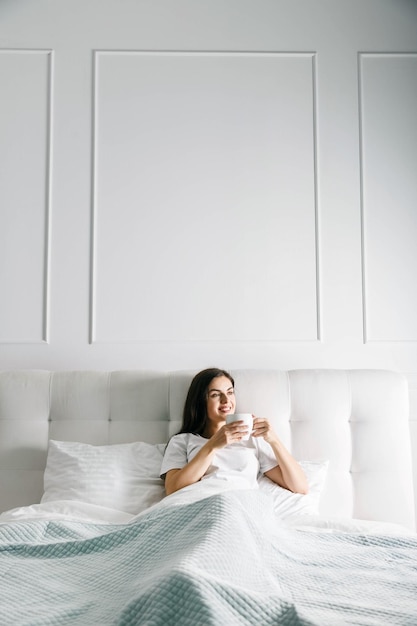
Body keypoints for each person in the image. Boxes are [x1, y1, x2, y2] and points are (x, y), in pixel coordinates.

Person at [160, 367, 308, 496]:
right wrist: (212, 445)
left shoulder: (253, 438)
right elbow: (173, 489)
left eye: (230, 392)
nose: (226, 400)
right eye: (215, 395)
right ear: (200, 401)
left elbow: (300, 487)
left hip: (242, 504)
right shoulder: (182, 441)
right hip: (201, 505)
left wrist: (274, 440)